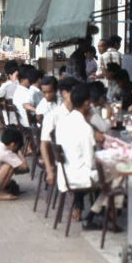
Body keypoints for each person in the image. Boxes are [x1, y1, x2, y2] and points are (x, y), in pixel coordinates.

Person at [55, 83, 101, 228]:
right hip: (80, 177)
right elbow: (91, 162)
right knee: (117, 177)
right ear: (87, 103)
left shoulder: (62, 122)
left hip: (65, 175)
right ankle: (94, 213)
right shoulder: (85, 128)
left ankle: (98, 211)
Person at [41, 77, 77, 188]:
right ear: (64, 93)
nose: (47, 95)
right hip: (64, 160)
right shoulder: (53, 116)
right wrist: (49, 171)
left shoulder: (81, 112)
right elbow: (44, 144)